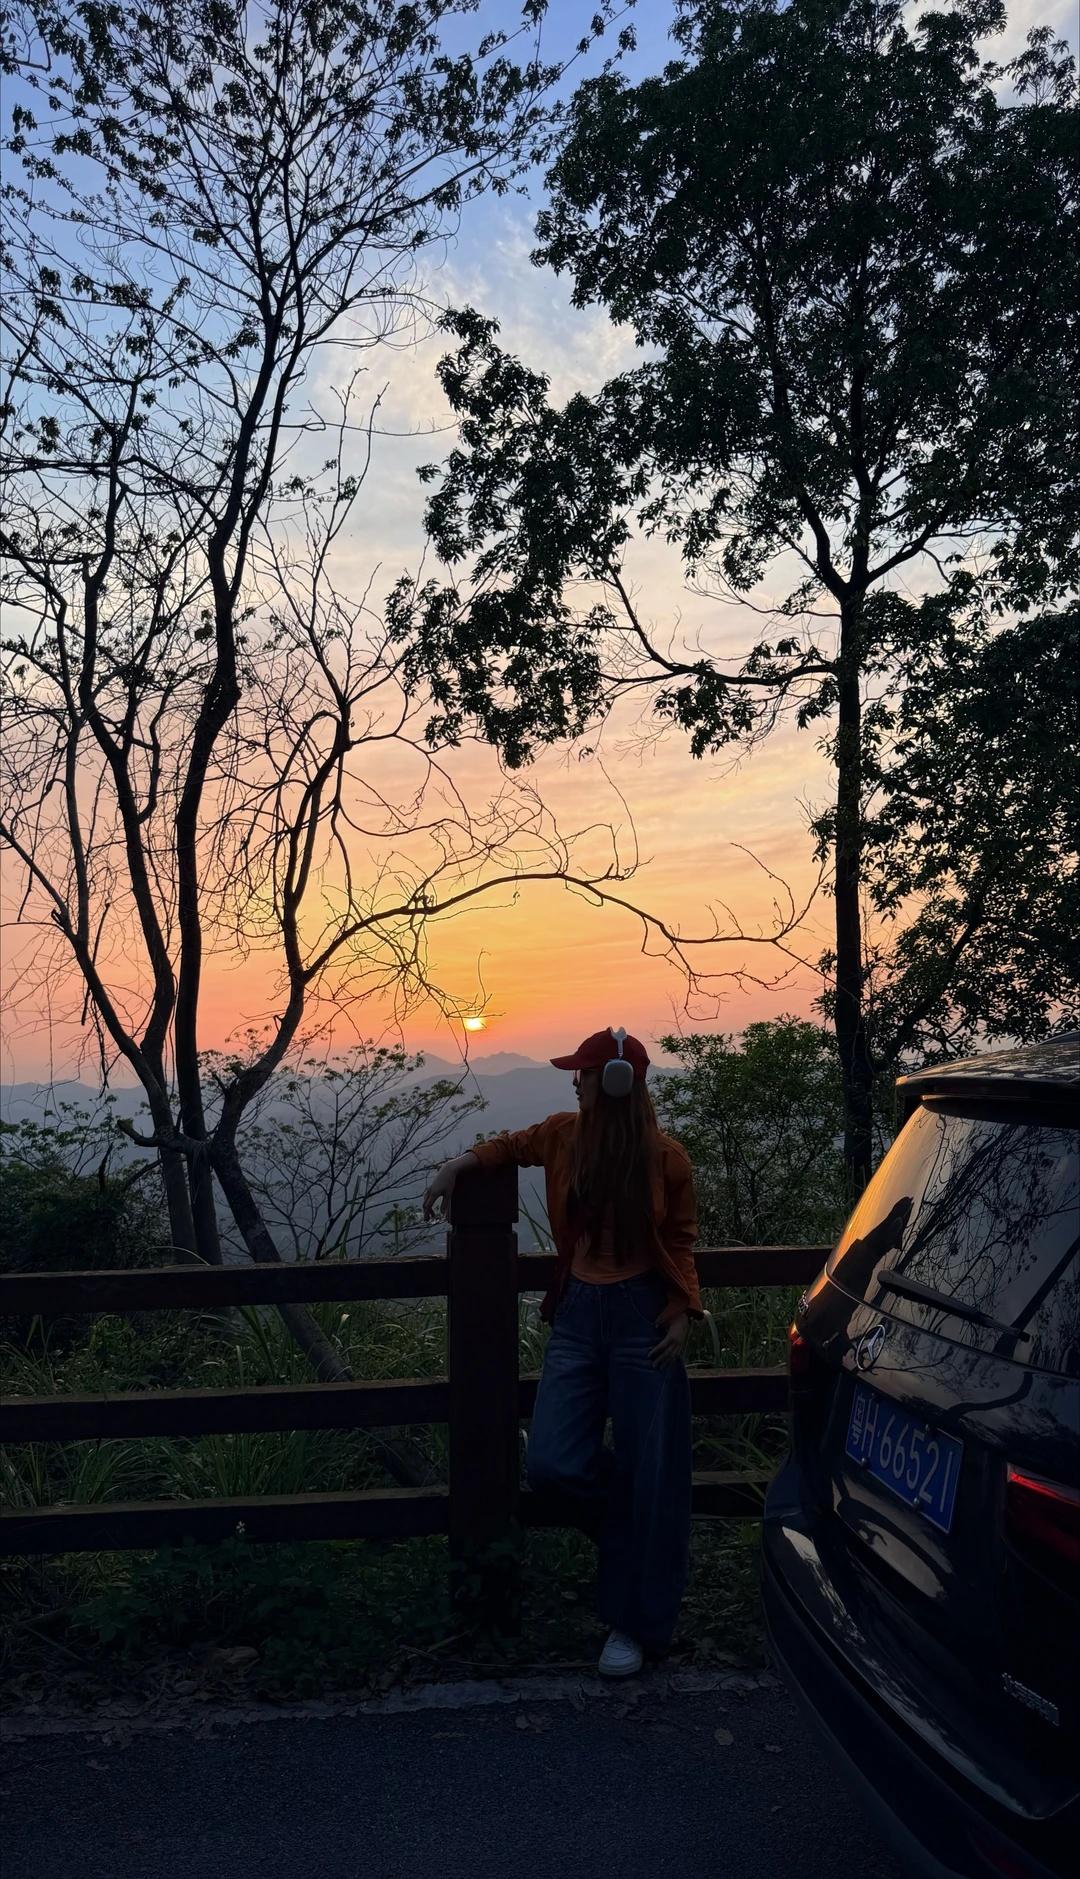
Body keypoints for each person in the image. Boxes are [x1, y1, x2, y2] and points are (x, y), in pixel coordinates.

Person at [423, 1026, 701, 1678]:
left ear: (615, 1083)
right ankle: (638, 1540)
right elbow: (511, 1145)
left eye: (583, 1073)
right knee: (552, 1461)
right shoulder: (563, 1136)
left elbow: (681, 1238)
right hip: (577, 1317)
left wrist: (683, 1308)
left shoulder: (665, 1159)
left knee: (649, 1469)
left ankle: (634, 1623)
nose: (573, 1082)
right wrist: (458, 1165)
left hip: (642, 1319)